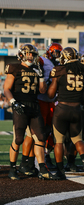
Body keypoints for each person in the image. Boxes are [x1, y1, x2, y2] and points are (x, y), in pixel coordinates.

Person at [3, 44, 58, 180]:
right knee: (18, 138)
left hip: (34, 106)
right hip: (20, 105)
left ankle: (42, 168)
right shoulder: (14, 67)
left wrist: (40, 77)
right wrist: (12, 102)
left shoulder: (36, 69)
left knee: (40, 137)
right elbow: (6, 89)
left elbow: (42, 90)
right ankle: (12, 168)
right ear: (21, 54)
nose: (30, 56)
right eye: (28, 54)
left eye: (32, 54)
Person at [47, 47, 84, 179]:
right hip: (77, 109)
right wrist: (81, 102)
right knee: (78, 139)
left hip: (62, 109)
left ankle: (60, 171)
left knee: (59, 141)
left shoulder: (59, 70)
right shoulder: (83, 70)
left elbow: (50, 94)